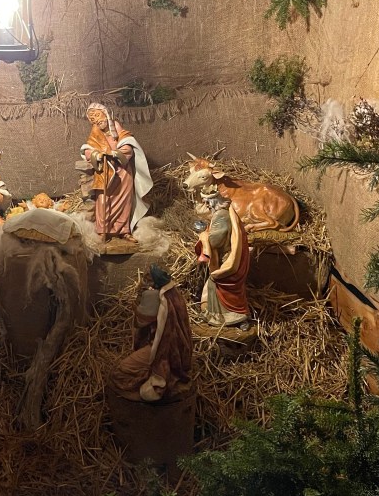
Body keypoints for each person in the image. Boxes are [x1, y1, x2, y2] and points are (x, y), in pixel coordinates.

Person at [109, 265, 192, 402]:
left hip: (161, 349)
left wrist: (137, 304)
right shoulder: (173, 293)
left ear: (154, 281)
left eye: (147, 278)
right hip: (177, 348)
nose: (145, 281)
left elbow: (141, 321)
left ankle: (150, 380)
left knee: (120, 372)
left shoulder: (153, 296)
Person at [80, 102, 153, 243]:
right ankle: (103, 230)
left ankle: (124, 230)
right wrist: (96, 154)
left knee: (124, 201)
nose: (96, 120)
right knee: (103, 201)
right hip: (104, 172)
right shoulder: (95, 133)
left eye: (97, 115)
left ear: (105, 113)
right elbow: (87, 150)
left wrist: (115, 153)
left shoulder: (117, 128)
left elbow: (128, 147)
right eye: (92, 119)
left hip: (122, 172)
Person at [195, 189, 251, 327]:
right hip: (226, 257)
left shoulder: (221, 215)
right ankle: (230, 316)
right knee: (225, 288)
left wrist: (204, 236)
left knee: (217, 285)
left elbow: (216, 240)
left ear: (215, 202)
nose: (206, 205)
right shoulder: (224, 213)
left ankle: (230, 317)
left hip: (227, 260)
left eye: (207, 202)